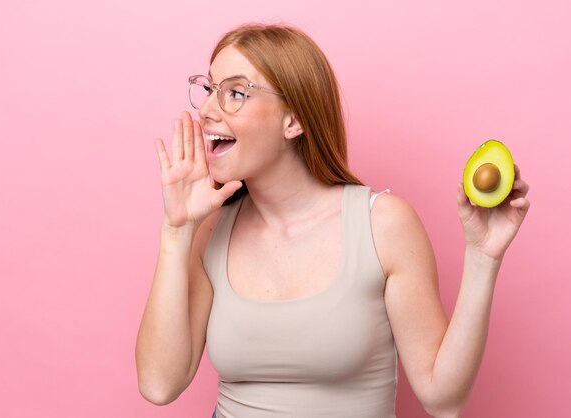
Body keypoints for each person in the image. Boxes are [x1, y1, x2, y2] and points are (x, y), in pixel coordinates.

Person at [135, 23, 530, 418]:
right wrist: (177, 231)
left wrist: (483, 258)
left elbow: (443, 400)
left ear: (293, 121)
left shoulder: (383, 225)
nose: (205, 111)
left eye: (235, 93)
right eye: (209, 90)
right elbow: (159, 384)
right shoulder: (209, 230)